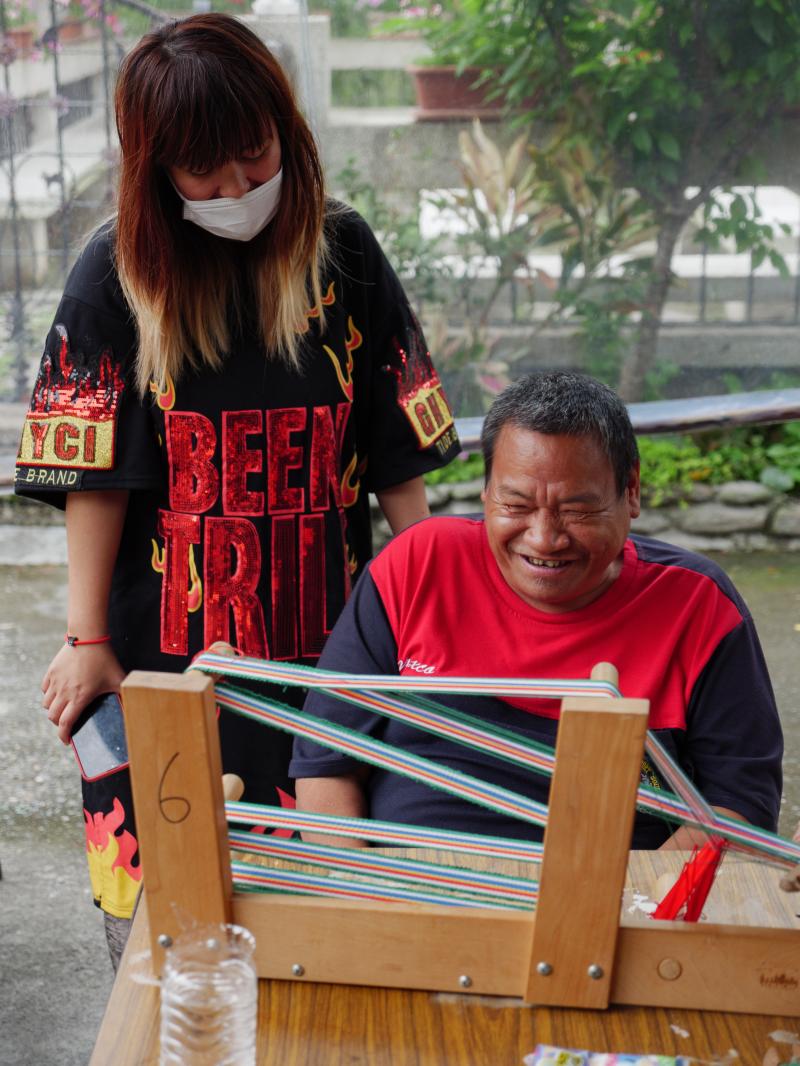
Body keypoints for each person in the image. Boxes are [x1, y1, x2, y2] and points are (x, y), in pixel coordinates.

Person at [15, 13, 459, 966]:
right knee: (170, 941)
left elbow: (397, 459)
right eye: (205, 172)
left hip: (333, 655)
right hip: (166, 664)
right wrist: (88, 638)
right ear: (156, 168)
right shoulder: (115, 272)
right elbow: (95, 473)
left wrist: (433, 621)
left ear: (285, 130)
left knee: (335, 922)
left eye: (255, 158)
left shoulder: (344, 255)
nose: (239, 189)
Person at [291, 371, 783, 849]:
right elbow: (325, 763)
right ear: (486, 491)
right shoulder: (416, 566)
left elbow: (737, 805)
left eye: (577, 509)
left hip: (618, 902)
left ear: (630, 490)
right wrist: (354, 890)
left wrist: (639, 898)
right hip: (409, 891)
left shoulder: (697, 604)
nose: (544, 538)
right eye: (517, 505)